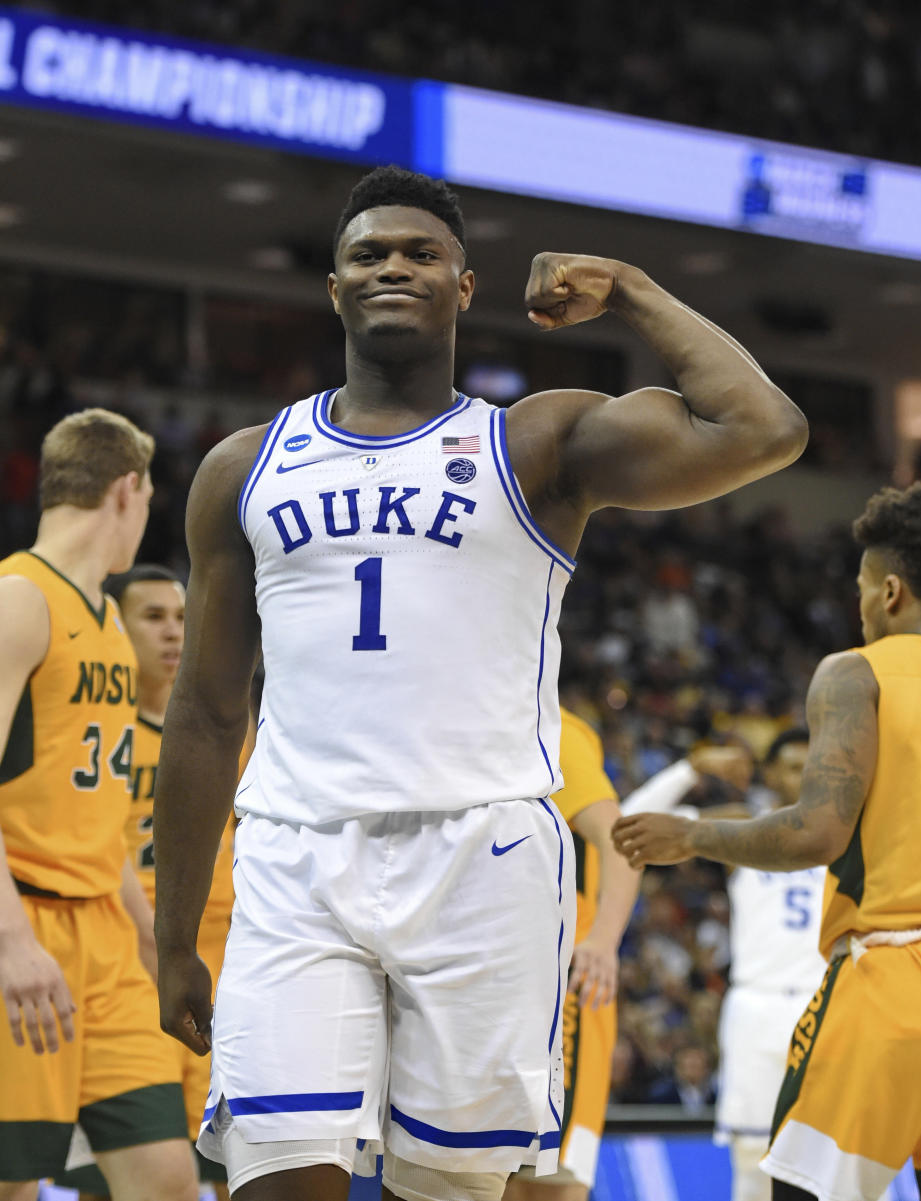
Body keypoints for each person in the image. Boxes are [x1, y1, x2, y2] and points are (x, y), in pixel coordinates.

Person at [151, 165, 808, 1201]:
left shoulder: (534, 441)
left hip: (483, 857)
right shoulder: (244, 465)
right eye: (369, 253)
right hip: (295, 853)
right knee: (275, 1182)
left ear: (465, 286)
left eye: (421, 253)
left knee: (449, 1188)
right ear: (334, 287)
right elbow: (202, 710)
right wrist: (174, 932)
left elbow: (763, 430)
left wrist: (631, 287)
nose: (394, 267)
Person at [613, 479, 921, 1201]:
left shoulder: (858, 670)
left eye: (861, 587)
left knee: (798, 1193)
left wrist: (693, 834)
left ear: (890, 591)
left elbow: (817, 830)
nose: (858, 604)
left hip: (894, 978)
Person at [0, 410, 197, 1201]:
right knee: (13, 1183)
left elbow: (99, 818)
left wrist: (155, 945)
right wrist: (11, 940)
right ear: (128, 489)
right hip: (24, 924)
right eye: (147, 498)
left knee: (167, 1183)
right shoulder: (20, 598)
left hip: (107, 943)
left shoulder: (111, 627)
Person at [56, 565, 235, 1201]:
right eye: (152, 617)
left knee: (216, 1165)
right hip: (120, 956)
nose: (173, 633)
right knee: (120, 1161)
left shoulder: (227, 735)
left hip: (222, 958)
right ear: (114, 626)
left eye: (182, 617)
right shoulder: (87, 732)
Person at [621, 732, 825, 1201]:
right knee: (752, 1162)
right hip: (758, 1004)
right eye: (793, 766)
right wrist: (692, 768)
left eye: (815, 765)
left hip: (830, 1003)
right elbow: (632, 821)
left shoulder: (855, 826)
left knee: (841, 1159)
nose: (806, 776)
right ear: (771, 774)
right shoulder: (742, 826)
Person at [504, 708, 639, 1201]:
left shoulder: (544, 722)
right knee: (486, 1167)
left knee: (548, 1177)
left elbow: (620, 838)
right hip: (498, 964)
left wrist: (603, 940)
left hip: (559, 973)